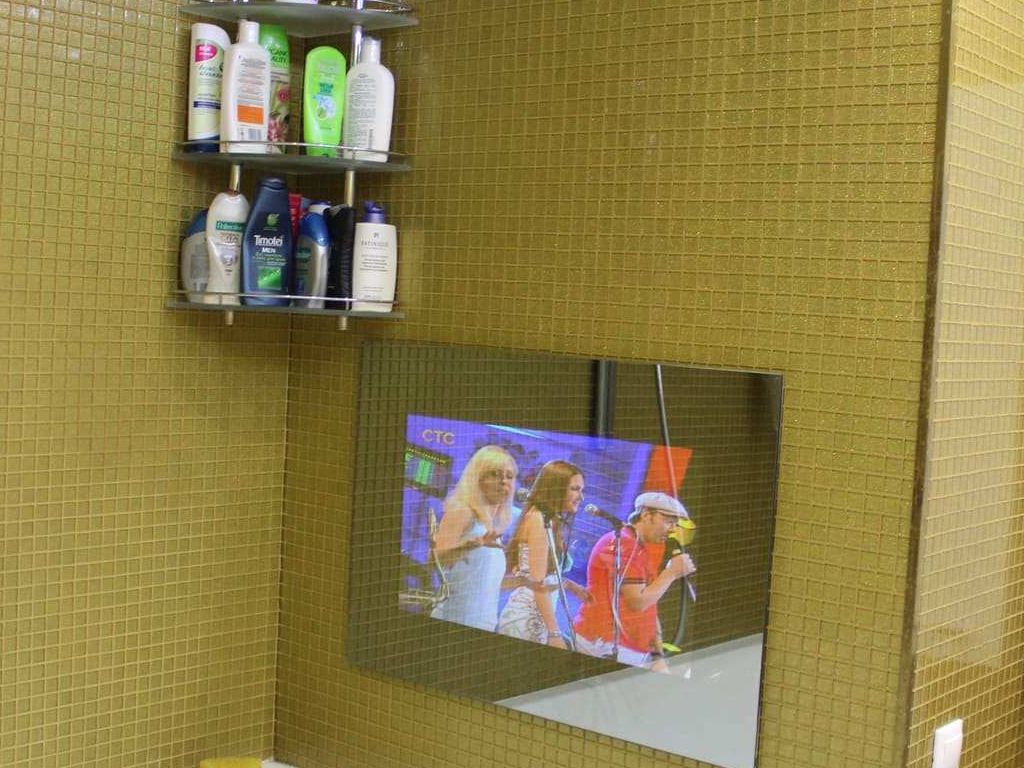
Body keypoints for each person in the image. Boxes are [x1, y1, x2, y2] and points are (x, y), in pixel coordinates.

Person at [573, 491, 696, 669]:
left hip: (628, 649)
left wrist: (656, 653)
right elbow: (637, 602)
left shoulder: (637, 547)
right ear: (646, 515)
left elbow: (649, 606)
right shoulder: (624, 543)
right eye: (669, 521)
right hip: (604, 645)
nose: (672, 529)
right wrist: (671, 573)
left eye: (675, 524)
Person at [497, 460, 590, 648]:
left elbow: (545, 576)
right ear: (556, 488)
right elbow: (538, 583)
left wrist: (571, 585)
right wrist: (554, 633)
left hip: (538, 617)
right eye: (575, 489)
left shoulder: (550, 521)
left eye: (581, 490)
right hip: (526, 619)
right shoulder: (538, 519)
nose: (581, 497)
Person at [429, 445, 518, 632]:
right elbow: (434, 560)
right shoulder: (463, 511)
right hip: (454, 619)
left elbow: (485, 585)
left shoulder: (494, 525)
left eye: (509, 476)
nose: (504, 481)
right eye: (495, 474)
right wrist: (470, 545)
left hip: (484, 623)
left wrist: (524, 581)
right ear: (478, 479)